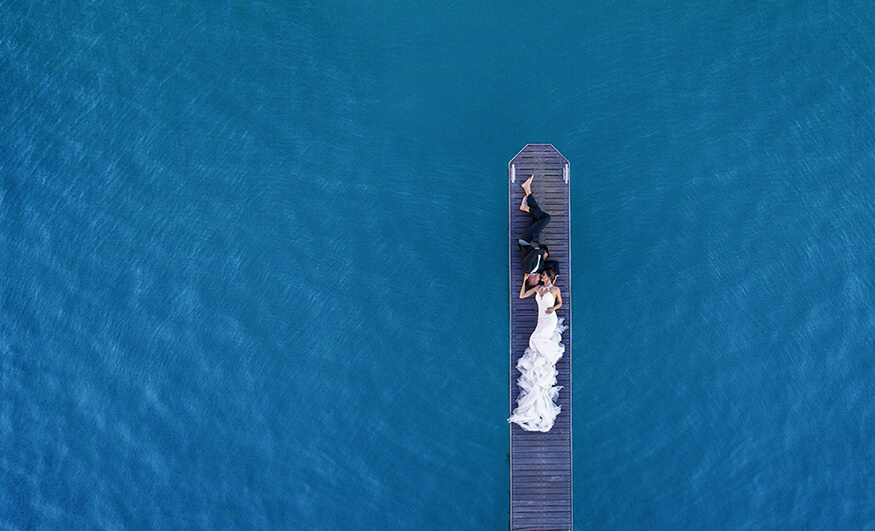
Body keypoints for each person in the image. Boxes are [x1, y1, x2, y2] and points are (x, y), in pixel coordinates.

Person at [509, 269, 565, 432]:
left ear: (550, 277)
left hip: (550, 319)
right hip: (541, 320)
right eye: (541, 275)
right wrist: (525, 280)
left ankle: (554, 353)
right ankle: (551, 353)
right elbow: (522, 295)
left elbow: (560, 303)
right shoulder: (537, 289)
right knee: (535, 341)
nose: (541, 277)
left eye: (543, 275)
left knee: (534, 339)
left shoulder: (555, 290)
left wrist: (553, 308)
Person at [518, 175, 559, 276]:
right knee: (539, 216)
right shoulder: (541, 268)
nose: (540, 278)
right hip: (534, 239)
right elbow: (555, 263)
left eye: (537, 280)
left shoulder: (527, 268)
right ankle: (526, 195)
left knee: (546, 218)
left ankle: (527, 197)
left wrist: (542, 252)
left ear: (531, 281)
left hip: (526, 238)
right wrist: (555, 277)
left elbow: (536, 252)